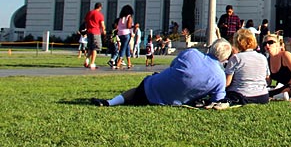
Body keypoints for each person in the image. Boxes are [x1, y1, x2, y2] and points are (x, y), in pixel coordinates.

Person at [91, 39, 232, 107]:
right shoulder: (220, 77)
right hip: (174, 102)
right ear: (225, 58)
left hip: (152, 88)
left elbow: (173, 65)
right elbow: (217, 99)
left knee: (134, 92)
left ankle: (110, 102)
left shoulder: (192, 53)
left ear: (211, 48)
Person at [224, 28, 270, 105]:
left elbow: (227, 83)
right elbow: (268, 80)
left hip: (241, 94)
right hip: (263, 96)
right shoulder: (262, 57)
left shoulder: (236, 58)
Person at [264, 33, 291, 98]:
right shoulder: (267, 60)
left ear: (278, 45)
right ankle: (279, 95)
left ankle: (279, 95)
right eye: (264, 44)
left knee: (290, 89)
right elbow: (268, 81)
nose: (267, 45)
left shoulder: (286, 55)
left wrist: (287, 86)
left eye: (270, 42)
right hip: (281, 87)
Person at [84, 2, 106, 70]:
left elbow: (85, 22)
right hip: (96, 32)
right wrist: (104, 31)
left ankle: (87, 60)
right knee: (95, 48)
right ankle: (92, 63)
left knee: (90, 47)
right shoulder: (99, 15)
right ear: (100, 7)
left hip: (89, 31)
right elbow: (102, 25)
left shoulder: (89, 13)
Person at [114, 5, 134, 69]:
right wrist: (135, 26)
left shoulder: (121, 17)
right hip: (126, 33)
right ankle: (119, 62)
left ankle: (129, 63)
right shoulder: (129, 17)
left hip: (120, 33)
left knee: (127, 47)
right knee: (123, 48)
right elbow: (128, 26)